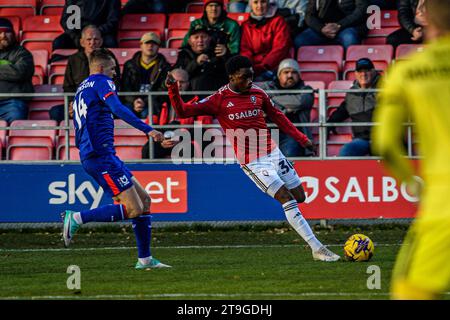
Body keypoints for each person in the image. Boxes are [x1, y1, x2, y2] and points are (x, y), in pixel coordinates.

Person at [166, 55, 340, 262]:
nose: (249, 81)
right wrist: (172, 89)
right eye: (244, 77)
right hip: (253, 162)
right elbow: (183, 110)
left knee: (300, 197)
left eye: (251, 76)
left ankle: (315, 244)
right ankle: (317, 248)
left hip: (273, 152)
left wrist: (303, 140)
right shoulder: (218, 99)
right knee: (286, 198)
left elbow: (279, 118)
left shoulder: (258, 93)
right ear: (231, 77)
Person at [61, 48, 170, 270]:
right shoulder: (102, 82)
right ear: (101, 68)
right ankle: (77, 218)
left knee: (145, 201)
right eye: (112, 69)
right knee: (133, 209)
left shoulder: (82, 88)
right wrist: (149, 130)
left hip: (100, 154)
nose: (115, 74)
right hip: (99, 155)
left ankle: (145, 260)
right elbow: (117, 108)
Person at [372, 0, 450, 299]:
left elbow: (385, 144)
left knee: (411, 290)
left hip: (444, 200)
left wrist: (411, 181)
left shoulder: (408, 72)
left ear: (427, 20)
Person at [50, 25, 120, 122]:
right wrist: (73, 103)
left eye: (96, 39)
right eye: (89, 39)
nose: (92, 43)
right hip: (80, 102)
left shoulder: (109, 58)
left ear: (101, 41)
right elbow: (68, 87)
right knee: (56, 112)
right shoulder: (73, 60)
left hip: (103, 102)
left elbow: (115, 83)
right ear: (82, 42)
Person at [257, 58, 314, 157]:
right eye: (286, 72)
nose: (290, 76)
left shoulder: (306, 90)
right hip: (270, 131)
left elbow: (300, 102)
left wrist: (270, 101)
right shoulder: (267, 87)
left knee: (288, 156)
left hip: (293, 134)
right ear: (279, 75)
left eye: (294, 72)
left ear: (299, 76)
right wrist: (285, 109)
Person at [328, 58, 381, 157]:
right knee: (346, 152)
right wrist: (328, 125)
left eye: (367, 71)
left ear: (374, 72)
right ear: (355, 74)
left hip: (382, 137)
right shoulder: (352, 94)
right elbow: (342, 111)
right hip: (361, 139)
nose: (363, 74)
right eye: (360, 71)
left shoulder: (386, 88)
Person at [121, 32, 171, 119]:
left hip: (153, 103)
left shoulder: (165, 66)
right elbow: (125, 87)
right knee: (124, 113)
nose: (150, 46)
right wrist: (134, 101)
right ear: (141, 45)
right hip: (131, 102)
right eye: (147, 43)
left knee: (148, 114)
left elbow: (162, 90)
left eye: (154, 43)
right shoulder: (129, 65)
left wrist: (145, 101)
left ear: (159, 46)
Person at [240, 0, 293, 81]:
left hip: (275, 66)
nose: (260, 6)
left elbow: (280, 48)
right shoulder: (246, 25)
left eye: (263, 2)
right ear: (251, 5)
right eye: (255, 2)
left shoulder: (279, 21)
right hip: (254, 68)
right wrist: (249, 67)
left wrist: (263, 66)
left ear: (268, 3)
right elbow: (245, 50)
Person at [174, 25, 230, 92]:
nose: (200, 40)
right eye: (196, 37)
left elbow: (229, 73)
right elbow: (179, 76)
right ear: (189, 41)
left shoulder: (218, 51)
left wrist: (226, 55)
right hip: (190, 96)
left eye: (203, 37)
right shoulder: (183, 55)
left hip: (214, 95)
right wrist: (196, 63)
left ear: (210, 39)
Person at [295, 0, 368, 50]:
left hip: (347, 26)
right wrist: (321, 28)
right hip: (323, 28)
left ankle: (348, 70)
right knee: (300, 41)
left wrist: (339, 25)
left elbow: (361, 11)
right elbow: (309, 15)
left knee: (350, 39)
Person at [0, 18, 34, 124]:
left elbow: (20, 72)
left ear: (13, 34)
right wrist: (8, 68)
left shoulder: (22, 53)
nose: (3, 36)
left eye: (7, 32)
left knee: (16, 121)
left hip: (12, 103)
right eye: (0, 32)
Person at [53, 0, 120, 50]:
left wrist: (95, 32)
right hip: (77, 33)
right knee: (59, 42)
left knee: (110, 42)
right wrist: (76, 36)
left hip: (100, 33)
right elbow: (66, 20)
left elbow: (113, 21)